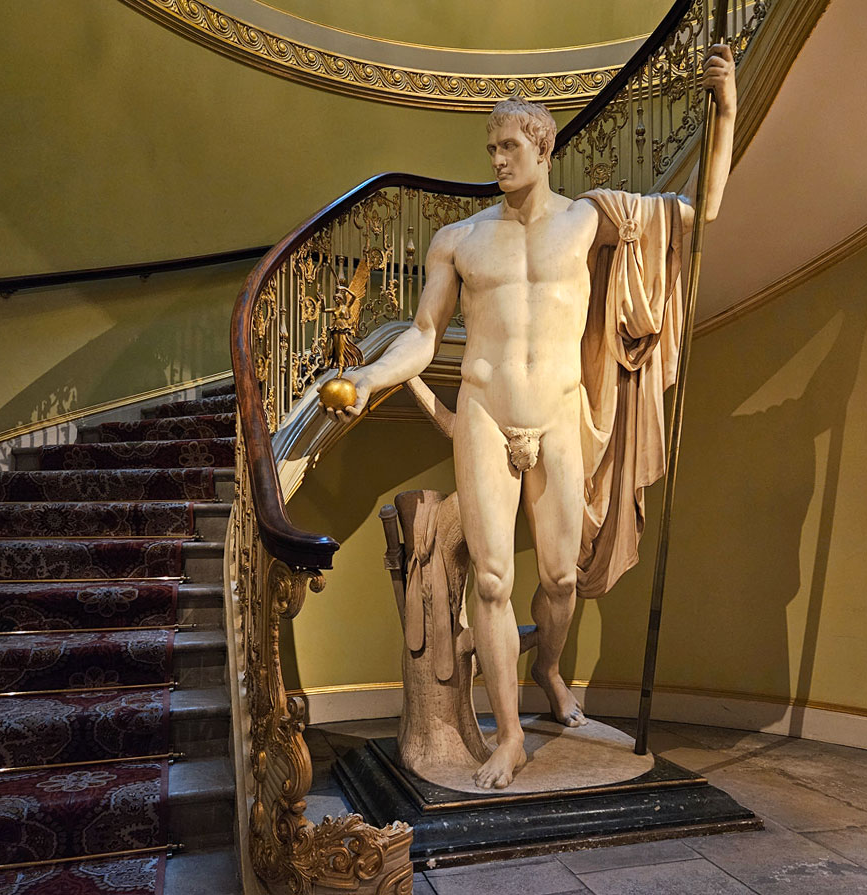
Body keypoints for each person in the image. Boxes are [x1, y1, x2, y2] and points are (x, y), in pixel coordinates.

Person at [327, 45, 737, 789]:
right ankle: (508, 735)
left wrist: (728, 111)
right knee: (489, 579)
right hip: (485, 413)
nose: (497, 159)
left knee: (558, 576)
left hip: (556, 416)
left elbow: (701, 214)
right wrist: (367, 376)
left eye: (509, 146)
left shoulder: (589, 220)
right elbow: (422, 336)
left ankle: (547, 666)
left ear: (543, 147)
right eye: (491, 148)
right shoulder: (459, 240)